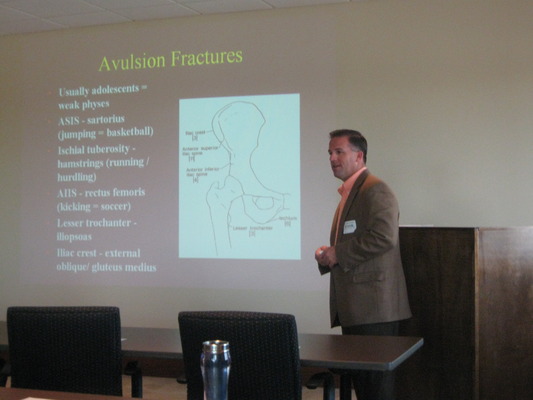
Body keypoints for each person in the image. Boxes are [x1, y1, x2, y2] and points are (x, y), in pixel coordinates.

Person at [315, 129, 411, 400]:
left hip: (374, 311)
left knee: (376, 389)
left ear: (359, 156)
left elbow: (384, 237)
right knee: (366, 387)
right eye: (330, 153)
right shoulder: (349, 193)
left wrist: (338, 253)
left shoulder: (375, 189)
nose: (332, 158)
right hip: (358, 309)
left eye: (339, 152)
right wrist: (328, 256)